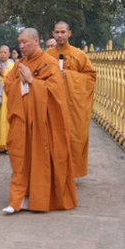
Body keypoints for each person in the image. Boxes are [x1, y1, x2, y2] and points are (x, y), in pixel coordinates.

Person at [2, 28, 77, 214]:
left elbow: (56, 93)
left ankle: (39, 197)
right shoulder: (19, 64)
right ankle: (18, 198)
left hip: (43, 123)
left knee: (41, 159)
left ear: (36, 41)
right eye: (19, 42)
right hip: (22, 120)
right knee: (20, 157)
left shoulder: (49, 64)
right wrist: (21, 82)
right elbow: (8, 86)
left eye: (25, 42)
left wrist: (32, 81)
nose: (21, 46)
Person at [46, 21, 97, 178]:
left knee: (74, 137)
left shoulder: (78, 55)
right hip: (53, 104)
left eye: (63, 32)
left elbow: (91, 77)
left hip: (73, 106)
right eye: (57, 32)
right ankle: (54, 172)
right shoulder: (47, 55)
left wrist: (69, 76)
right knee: (53, 138)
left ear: (69, 33)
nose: (60, 35)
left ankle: (71, 173)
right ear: (53, 34)